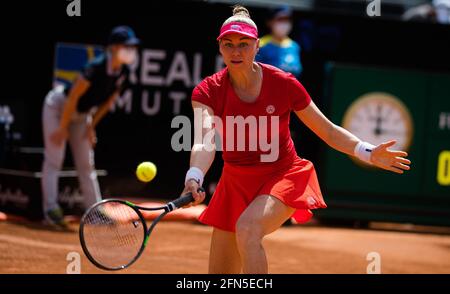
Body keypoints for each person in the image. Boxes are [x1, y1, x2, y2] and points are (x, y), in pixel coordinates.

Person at [180, 5, 411, 274]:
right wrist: (194, 175)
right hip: (235, 181)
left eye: (244, 44)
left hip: (282, 176)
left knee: (248, 229)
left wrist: (367, 151)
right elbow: (204, 141)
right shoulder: (208, 91)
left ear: (257, 46)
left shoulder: (284, 84)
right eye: (229, 44)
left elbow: (327, 130)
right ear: (220, 47)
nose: (236, 51)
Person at [41, 26, 140, 227]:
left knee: (86, 164)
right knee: (55, 159)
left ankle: (95, 213)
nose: (131, 50)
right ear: (113, 48)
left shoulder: (123, 72)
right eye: (126, 46)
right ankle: (50, 210)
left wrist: (90, 126)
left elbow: (107, 102)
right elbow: (73, 97)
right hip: (59, 107)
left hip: (82, 115)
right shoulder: (95, 67)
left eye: (133, 46)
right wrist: (62, 128)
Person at [256, 5, 302, 77]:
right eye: (280, 19)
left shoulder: (294, 46)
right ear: (270, 22)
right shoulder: (260, 44)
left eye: (287, 19)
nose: (284, 23)